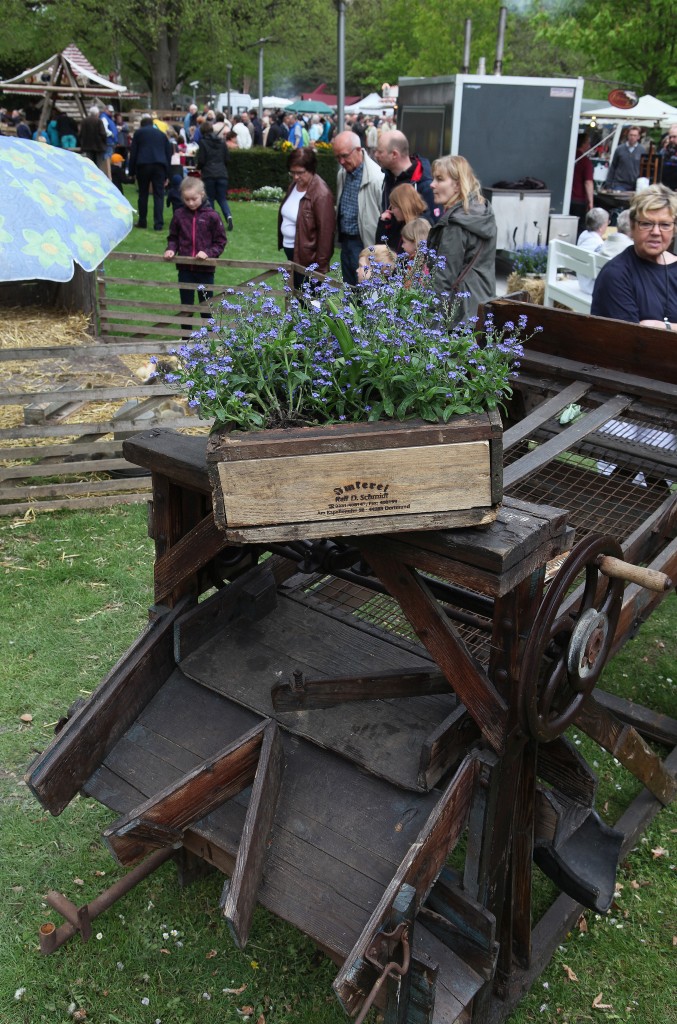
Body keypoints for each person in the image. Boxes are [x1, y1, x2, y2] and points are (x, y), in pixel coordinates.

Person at [591, 184, 677, 328]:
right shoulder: (616, 275)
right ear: (632, 226)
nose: (656, 232)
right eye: (646, 224)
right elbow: (633, 337)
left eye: (665, 225)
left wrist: (665, 327)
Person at [426, 154, 497, 322]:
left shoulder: (455, 223)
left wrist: (429, 317)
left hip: (458, 313)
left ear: (457, 185)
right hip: (482, 303)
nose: (432, 184)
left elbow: (444, 277)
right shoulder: (482, 211)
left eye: (439, 179)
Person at [164, 176, 227, 320]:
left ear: (202, 195)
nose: (191, 203)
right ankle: (186, 333)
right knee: (186, 307)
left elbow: (220, 242)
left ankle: (209, 334)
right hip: (185, 268)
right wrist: (171, 248)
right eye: (187, 199)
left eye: (194, 199)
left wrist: (208, 253)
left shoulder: (212, 216)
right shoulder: (179, 215)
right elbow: (173, 237)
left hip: (205, 269)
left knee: (206, 306)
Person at [278, 147, 336, 288]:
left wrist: (320, 269)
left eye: (300, 173)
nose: (295, 177)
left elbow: (326, 233)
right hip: (291, 251)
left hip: (308, 259)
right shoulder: (294, 185)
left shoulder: (321, 194)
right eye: (292, 172)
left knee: (308, 297)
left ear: (311, 169)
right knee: (295, 294)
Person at [332, 130, 384, 286]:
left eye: (344, 156)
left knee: (365, 290)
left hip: (365, 243)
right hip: (346, 242)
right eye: (337, 157)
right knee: (349, 289)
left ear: (358, 150)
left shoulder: (376, 177)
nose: (341, 161)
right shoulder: (342, 174)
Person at [374, 130, 436, 221]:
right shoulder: (388, 177)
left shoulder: (425, 185)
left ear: (394, 154)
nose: (376, 155)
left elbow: (432, 224)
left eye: (380, 152)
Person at [128, 114, 173, 230]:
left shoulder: (138, 133)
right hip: (159, 166)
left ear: (142, 125)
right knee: (159, 195)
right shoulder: (162, 135)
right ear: (152, 124)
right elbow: (168, 154)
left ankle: (142, 221)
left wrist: (131, 172)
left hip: (143, 165)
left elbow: (133, 153)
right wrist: (167, 173)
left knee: (143, 194)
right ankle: (158, 224)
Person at [197, 121, 233, 231]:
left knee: (210, 198)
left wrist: (198, 167)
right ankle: (228, 216)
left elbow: (201, 160)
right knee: (222, 198)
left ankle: (212, 221)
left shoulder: (203, 142)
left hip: (209, 174)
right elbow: (227, 159)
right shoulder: (222, 142)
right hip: (222, 173)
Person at [376, 182, 430, 251]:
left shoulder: (420, 226)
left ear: (403, 207)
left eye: (394, 207)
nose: (392, 211)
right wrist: (383, 223)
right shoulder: (398, 223)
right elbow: (382, 248)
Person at [576, 207, 609, 294]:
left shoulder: (583, 236)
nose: (607, 225)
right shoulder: (599, 245)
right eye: (607, 222)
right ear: (601, 227)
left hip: (582, 282)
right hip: (591, 287)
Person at [605, 126, 646, 192]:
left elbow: (644, 168)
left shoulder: (642, 150)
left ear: (638, 137)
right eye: (631, 135)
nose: (632, 137)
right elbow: (613, 167)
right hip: (620, 184)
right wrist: (608, 184)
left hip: (635, 185)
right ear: (628, 135)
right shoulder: (619, 149)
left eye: (635, 135)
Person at [570, 131, 595, 235]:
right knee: (579, 228)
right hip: (579, 199)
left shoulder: (569, 157)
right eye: (588, 143)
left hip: (568, 199)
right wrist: (591, 202)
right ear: (583, 144)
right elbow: (588, 182)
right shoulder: (585, 161)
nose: (589, 145)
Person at [78, 106, 108, 170]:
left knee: (89, 165)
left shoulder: (84, 121)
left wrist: (81, 143)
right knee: (98, 166)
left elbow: (80, 134)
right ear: (97, 113)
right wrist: (104, 143)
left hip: (87, 146)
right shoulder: (99, 121)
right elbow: (103, 134)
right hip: (98, 147)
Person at [659, 124, 677, 191]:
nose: (671, 139)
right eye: (670, 137)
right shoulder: (666, 152)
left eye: (674, 137)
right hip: (666, 189)